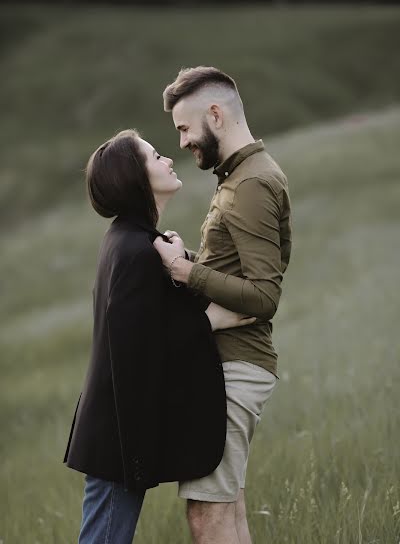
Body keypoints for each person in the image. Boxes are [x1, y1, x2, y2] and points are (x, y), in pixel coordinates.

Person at [63, 129, 257, 544]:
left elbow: (149, 319)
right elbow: (137, 347)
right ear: (135, 177)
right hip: (118, 438)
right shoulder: (135, 250)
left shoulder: (132, 240)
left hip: (115, 431)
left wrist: (183, 263)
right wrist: (212, 322)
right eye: (155, 156)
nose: (168, 159)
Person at [153, 66, 292, 544]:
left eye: (185, 128)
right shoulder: (238, 176)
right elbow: (236, 272)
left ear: (215, 113)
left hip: (235, 368)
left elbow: (263, 296)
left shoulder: (251, 182)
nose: (184, 142)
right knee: (224, 507)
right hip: (227, 365)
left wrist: (185, 271)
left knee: (207, 514)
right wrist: (190, 258)